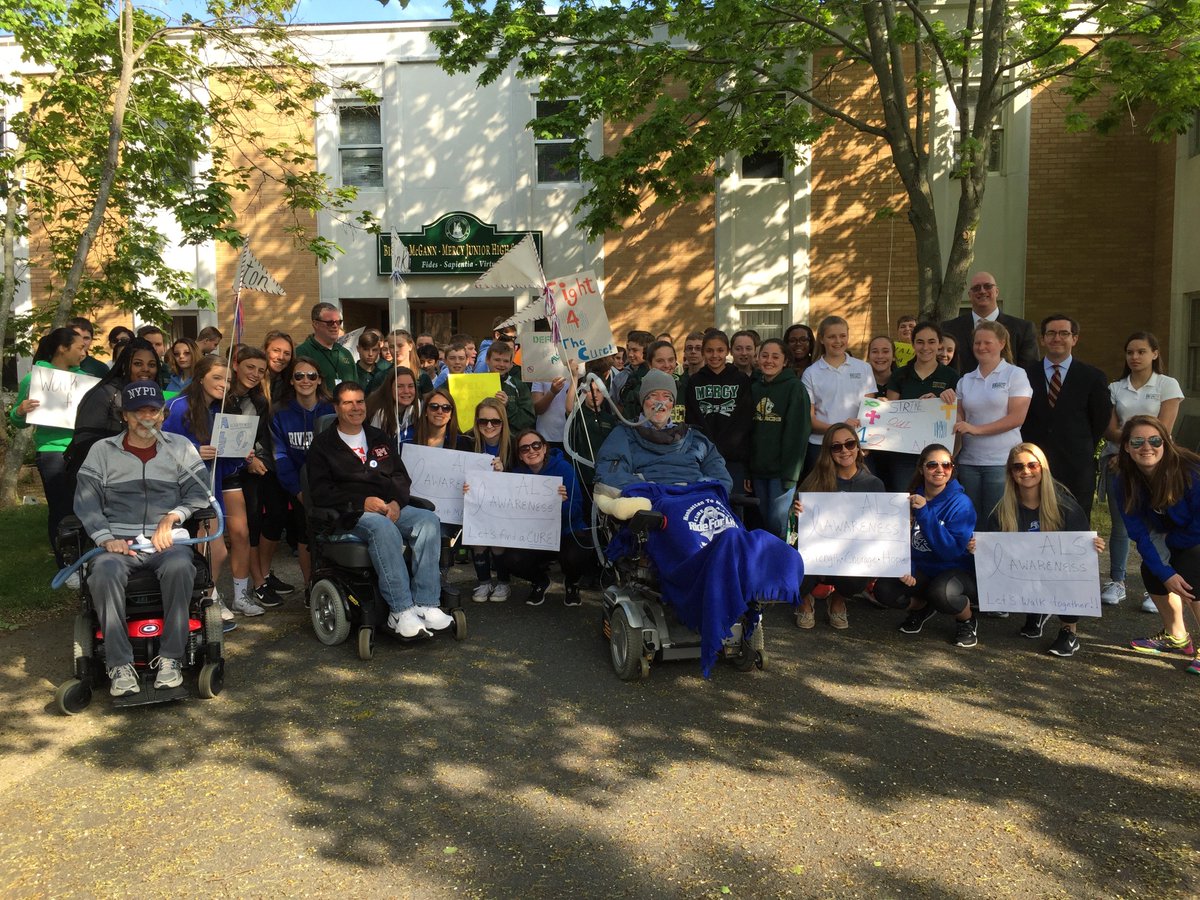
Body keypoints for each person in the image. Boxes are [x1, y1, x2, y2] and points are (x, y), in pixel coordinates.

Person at [73, 381, 212, 695]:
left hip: (167, 541)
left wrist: (173, 516)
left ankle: (172, 658)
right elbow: (85, 500)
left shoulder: (180, 447)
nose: (146, 417)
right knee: (103, 574)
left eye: (153, 410)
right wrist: (106, 537)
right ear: (125, 416)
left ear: (162, 414)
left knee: (180, 567)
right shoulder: (102, 451)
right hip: (118, 543)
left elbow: (199, 492)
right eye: (137, 412)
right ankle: (119, 663)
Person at [305, 382, 452, 638]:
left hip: (388, 507)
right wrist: (362, 503)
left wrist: (396, 502)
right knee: (381, 527)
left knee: (428, 520)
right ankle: (401, 610)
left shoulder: (378, 437)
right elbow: (320, 492)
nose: (356, 408)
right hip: (350, 515)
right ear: (336, 407)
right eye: (348, 403)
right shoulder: (322, 445)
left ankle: (427, 603)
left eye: (360, 401)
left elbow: (400, 476)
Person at [972, 442, 1104, 657]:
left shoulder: (1066, 508)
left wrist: (1092, 546)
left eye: (1033, 465)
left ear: (1043, 468)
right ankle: (1037, 609)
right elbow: (995, 556)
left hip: (1057, 576)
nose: (1026, 471)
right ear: (1011, 473)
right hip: (1023, 576)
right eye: (1018, 467)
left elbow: (1080, 555)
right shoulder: (1002, 512)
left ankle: (1068, 632)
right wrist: (978, 548)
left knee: (1071, 576)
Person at [162, 356, 265, 621]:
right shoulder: (177, 407)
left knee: (214, 552)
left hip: (210, 489)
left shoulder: (217, 411)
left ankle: (204, 603)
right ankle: (202, 605)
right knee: (210, 551)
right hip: (179, 493)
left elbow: (223, 460)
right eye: (217, 378)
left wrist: (241, 452)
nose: (224, 384)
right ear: (200, 377)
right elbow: (162, 450)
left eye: (228, 380)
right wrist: (196, 452)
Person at [1100, 331, 1184, 611]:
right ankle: (1117, 581)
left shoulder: (1167, 384)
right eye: (1130, 352)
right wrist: (1126, 455)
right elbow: (1110, 429)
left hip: (1158, 465)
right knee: (1121, 525)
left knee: (1159, 525)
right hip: (1118, 462)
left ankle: (1158, 585)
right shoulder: (1115, 388)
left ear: (1155, 354)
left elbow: (1164, 429)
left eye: (1141, 351)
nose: (1134, 357)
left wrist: (1136, 445)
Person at [1115, 416, 1200, 676]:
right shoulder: (1124, 481)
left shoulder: (1190, 471)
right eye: (1137, 441)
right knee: (1151, 571)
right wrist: (1164, 572)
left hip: (1193, 536)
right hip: (1169, 535)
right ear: (1127, 447)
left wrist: (1172, 545)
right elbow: (1139, 533)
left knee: (1191, 568)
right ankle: (1177, 636)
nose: (1146, 447)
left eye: (1154, 440)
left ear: (1165, 442)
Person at [873, 444, 980, 647]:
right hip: (923, 569)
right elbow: (900, 542)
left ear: (952, 469)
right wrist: (908, 568)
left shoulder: (961, 503)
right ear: (921, 468)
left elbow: (950, 551)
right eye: (932, 465)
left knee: (941, 594)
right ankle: (921, 607)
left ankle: (966, 619)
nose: (940, 470)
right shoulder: (908, 499)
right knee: (884, 590)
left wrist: (924, 514)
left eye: (946, 465)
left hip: (954, 570)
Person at [476, 428, 595, 607]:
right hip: (533, 536)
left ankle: (572, 583)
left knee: (577, 554)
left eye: (536, 445)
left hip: (565, 531)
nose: (531, 451)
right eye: (525, 449)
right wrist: (473, 490)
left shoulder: (564, 468)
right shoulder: (516, 476)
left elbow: (577, 510)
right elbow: (503, 505)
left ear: (545, 448)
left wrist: (562, 503)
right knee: (511, 559)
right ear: (521, 455)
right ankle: (540, 581)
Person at [9, 327, 89, 569]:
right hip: (52, 450)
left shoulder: (83, 379)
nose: (84, 352)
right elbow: (17, 418)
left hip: (82, 449)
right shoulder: (34, 378)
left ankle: (85, 556)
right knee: (60, 507)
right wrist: (20, 411)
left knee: (85, 505)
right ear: (62, 348)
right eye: (79, 347)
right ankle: (66, 562)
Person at [790, 424, 883, 630]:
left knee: (856, 580)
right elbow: (794, 531)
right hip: (817, 553)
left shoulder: (873, 485)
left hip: (850, 556)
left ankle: (838, 600)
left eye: (849, 444)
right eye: (836, 447)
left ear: (858, 447)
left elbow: (879, 530)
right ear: (828, 452)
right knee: (794, 571)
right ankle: (805, 601)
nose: (844, 451)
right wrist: (796, 514)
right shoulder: (815, 480)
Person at [1019, 314, 1111, 519]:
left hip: (1076, 464)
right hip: (1033, 463)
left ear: (1074, 339)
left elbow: (1100, 419)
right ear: (1042, 339)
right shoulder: (1023, 375)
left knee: (1075, 523)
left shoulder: (1093, 376)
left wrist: (1079, 442)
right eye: (1051, 333)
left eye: (1064, 333)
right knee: (1034, 521)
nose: (1057, 338)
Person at [596, 370, 732, 493]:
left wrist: (697, 494)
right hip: (649, 509)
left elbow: (721, 479)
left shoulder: (695, 439)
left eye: (666, 396)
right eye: (653, 395)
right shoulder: (623, 436)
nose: (660, 403)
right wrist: (653, 492)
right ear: (643, 401)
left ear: (672, 403)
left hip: (694, 507)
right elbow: (610, 475)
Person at [953, 320, 1032, 526]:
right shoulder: (965, 380)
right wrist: (938, 402)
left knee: (998, 521)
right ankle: (972, 560)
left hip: (1002, 462)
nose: (981, 347)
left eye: (987, 342)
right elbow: (958, 418)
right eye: (977, 343)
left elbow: (1017, 418)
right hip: (969, 461)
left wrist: (976, 430)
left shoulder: (1015, 375)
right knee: (972, 522)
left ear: (1002, 343)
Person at [268, 356, 334, 599]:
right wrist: (298, 491)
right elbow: (280, 456)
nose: (305, 380)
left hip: (330, 485)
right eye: (299, 376)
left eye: (311, 376)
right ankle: (310, 587)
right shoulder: (279, 412)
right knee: (305, 537)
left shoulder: (332, 409)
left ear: (319, 380)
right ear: (291, 381)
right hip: (298, 487)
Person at [66, 337, 161, 481]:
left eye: (152, 364)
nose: (146, 369)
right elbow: (85, 442)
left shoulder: (156, 396)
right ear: (124, 366)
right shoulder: (104, 394)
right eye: (137, 364)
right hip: (100, 478)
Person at [882, 321, 959, 491]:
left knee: (936, 505)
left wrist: (939, 401)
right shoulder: (900, 375)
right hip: (904, 457)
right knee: (905, 503)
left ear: (940, 344)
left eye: (931, 342)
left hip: (938, 458)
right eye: (920, 342)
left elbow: (958, 418)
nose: (926, 347)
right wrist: (884, 408)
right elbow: (891, 414)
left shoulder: (951, 376)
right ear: (913, 344)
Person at [748, 338, 810, 538]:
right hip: (758, 469)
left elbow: (798, 433)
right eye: (764, 355)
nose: (769, 361)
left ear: (785, 361)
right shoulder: (754, 387)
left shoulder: (795, 388)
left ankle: (784, 565)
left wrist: (791, 474)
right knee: (765, 522)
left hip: (782, 473)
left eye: (775, 357)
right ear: (757, 358)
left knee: (779, 524)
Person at [684, 329, 754, 496]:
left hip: (733, 458)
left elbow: (744, 420)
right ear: (703, 352)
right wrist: (709, 447)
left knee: (734, 504)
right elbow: (693, 418)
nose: (715, 355)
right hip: (704, 456)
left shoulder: (741, 380)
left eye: (720, 350)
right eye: (709, 350)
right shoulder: (695, 381)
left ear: (727, 351)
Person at [801, 315, 873, 474]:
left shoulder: (864, 368)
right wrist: (841, 429)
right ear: (821, 339)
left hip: (854, 447)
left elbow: (869, 413)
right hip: (821, 447)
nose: (838, 341)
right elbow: (810, 420)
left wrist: (862, 441)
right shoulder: (811, 373)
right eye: (831, 337)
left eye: (842, 336)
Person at [940, 271, 1039, 372]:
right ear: (969, 295)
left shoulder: (1023, 329)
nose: (982, 291)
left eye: (988, 286)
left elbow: (1030, 371)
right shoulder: (949, 328)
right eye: (976, 288)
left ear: (996, 291)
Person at [467, 398, 512, 601]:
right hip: (475, 505)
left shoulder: (513, 445)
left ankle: (503, 583)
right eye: (483, 421)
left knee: (497, 544)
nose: (489, 426)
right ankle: (483, 582)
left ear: (503, 422)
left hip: (504, 506)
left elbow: (524, 481)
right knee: (478, 542)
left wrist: (505, 472)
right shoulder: (467, 442)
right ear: (476, 422)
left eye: (495, 421)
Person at [295, 302, 356, 387]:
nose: (335, 326)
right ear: (316, 324)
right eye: (330, 322)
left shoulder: (345, 353)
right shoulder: (303, 352)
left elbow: (356, 387)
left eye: (338, 322)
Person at [487, 339, 536, 433]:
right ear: (487, 360)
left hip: (511, 440)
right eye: (497, 360)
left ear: (511, 364)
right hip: (482, 441)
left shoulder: (519, 385)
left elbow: (528, 420)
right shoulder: (477, 382)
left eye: (505, 361)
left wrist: (507, 406)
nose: (501, 364)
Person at [367, 367, 421, 448]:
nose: (406, 391)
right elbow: (376, 446)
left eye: (410, 386)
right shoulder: (380, 412)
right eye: (399, 386)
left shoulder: (417, 404)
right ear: (390, 388)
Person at [355, 328, 392, 396]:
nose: (370, 354)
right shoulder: (351, 373)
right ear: (358, 349)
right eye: (366, 349)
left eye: (374, 350)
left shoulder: (383, 374)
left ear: (379, 351)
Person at [263, 330, 295, 399]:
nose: (281, 357)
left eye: (286, 353)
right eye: (276, 350)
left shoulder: (291, 383)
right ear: (265, 351)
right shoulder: (254, 379)